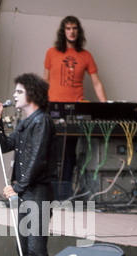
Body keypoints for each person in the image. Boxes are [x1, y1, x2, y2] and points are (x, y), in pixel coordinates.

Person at [0, 73, 57, 256]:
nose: (14, 96)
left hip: (36, 192)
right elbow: (5, 145)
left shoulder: (43, 123)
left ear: (32, 94)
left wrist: (17, 187)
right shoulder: (26, 123)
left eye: (19, 91)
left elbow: (37, 161)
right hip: (24, 192)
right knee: (24, 248)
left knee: (37, 248)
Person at [43, 16, 107, 182]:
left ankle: (65, 189)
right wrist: (40, 105)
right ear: (63, 32)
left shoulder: (86, 56)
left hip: (75, 110)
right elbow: (45, 81)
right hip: (53, 107)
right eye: (68, 28)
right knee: (50, 149)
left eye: (74, 28)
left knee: (69, 151)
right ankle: (50, 188)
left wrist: (105, 107)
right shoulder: (51, 52)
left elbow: (97, 83)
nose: (71, 32)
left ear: (78, 31)